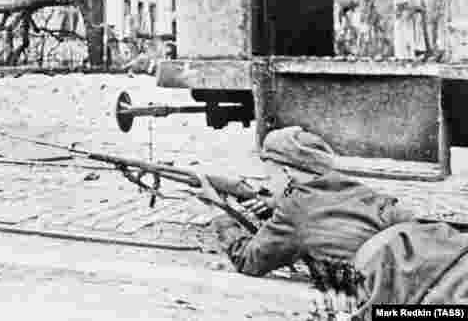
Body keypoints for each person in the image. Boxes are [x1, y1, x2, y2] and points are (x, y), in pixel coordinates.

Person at [201, 126, 468, 317]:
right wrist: (276, 205)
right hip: (444, 257)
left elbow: (248, 261)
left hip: (406, 286)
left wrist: (218, 211)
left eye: (270, 177)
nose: (267, 186)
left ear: (285, 172)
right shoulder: (355, 189)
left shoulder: (295, 209)